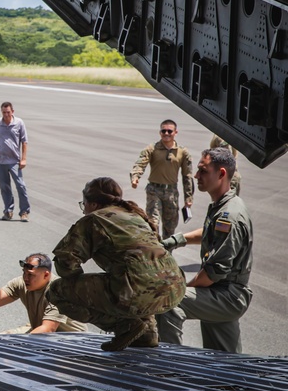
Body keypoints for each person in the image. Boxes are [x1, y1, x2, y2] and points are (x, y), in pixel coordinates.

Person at [46, 177, 186, 351]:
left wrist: (83, 291)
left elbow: (66, 264)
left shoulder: (94, 219)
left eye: (85, 204)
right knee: (135, 278)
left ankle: (124, 326)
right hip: (174, 288)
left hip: (139, 289)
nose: (84, 211)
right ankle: (147, 334)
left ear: (94, 205)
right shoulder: (136, 216)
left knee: (57, 291)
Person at [156, 148, 252, 353]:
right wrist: (175, 240)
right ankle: (229, 383)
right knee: (224, 360)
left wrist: (183, 289)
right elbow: (210, 232)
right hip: (223, 291)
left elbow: (213, 272)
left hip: (226, 294)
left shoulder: (229, 215)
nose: (196, 176)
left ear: (222, 173)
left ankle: (166, 369)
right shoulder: (224, 205)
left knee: (169, 302)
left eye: (203, 171)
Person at [0, 253, 86, 334]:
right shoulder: (22, 283)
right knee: (1, 340)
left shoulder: (59, 291)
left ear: (46, 275)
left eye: (30, 275)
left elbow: (48, 329)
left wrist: (22, 344)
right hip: (41, 333)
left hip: (71, 342)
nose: (25, 278)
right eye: (24, 273)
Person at [130, 120, 194, 239]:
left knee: (170, 228)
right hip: (154, 190)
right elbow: (140, 163)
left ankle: (167, 253)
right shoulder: (152, 148)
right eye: (163, 131)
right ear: (160, 132)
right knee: (153, 224)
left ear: (175, 132)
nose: (166, 133)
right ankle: (155, 252)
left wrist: (188, 197)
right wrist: (135, 177)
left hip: (171, 193)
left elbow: (187, 176)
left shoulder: (182, 152)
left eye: (169, 131)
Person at [0, 101, 30, 221]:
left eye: (8, 112)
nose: (6, 115)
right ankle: (8, 211)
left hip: (14, 161)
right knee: (5, 187)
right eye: (4, 112)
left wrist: (23, 159)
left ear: (12, 111)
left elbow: (24, 141)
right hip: (0, 161)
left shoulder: (19, 123)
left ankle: (24, 211)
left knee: (20, 186)